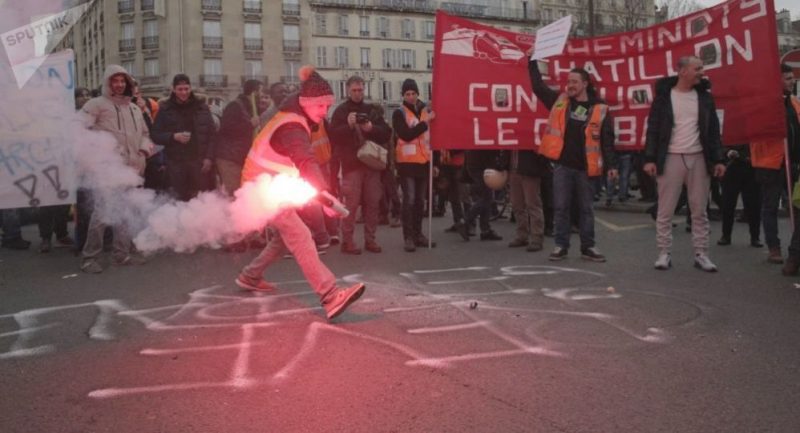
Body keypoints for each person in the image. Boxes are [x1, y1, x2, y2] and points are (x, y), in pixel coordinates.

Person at [235, 65, 365, 320]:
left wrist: (323, 196)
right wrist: (325, 196)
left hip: (267, 184)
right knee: (302, 235)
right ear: (307, 103)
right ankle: (330, 295)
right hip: (263, 188)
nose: (325, 112)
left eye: (328, 106)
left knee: (285, 237)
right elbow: (306, 160)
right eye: (321, 107)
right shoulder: (293, 126)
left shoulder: (294, 117)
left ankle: (250, 276)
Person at [528, 59, 618, 262]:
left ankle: (588, 247)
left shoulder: (600, 107)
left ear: (585, 83)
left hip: (587, 168)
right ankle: (561, 246)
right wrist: (532, 61)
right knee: (561, 207)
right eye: (568, 81)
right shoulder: (560, 101)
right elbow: (537, 86)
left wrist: (612, 165)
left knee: (586, 209)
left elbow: (607, 139)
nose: (570, 85)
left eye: (575, 81)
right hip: (562, 166)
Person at [643, 56, 726, 272]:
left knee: (699, 210)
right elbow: (653, 129)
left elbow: (713, 131)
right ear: (682, 71)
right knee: (665, 210)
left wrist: (718, 159)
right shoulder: (663, 98)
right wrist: (650, 158)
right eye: (697, 68)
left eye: (702, 68)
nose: (702, 72)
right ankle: (663, 254)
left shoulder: (705, 98)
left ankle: (701, 254)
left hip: (698, 157)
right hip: (670, 157)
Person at [77, 65, 155, 273]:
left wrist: (143, 152)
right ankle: (89, 258)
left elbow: (146, 134)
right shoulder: (96, 104)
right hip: (107, 170)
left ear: (128, 83)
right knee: (102, 214)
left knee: (126, 212)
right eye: (115, 81)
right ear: (107, 82)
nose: (119, 85)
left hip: (132, 170)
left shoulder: (135, 108)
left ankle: (121, 255)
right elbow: (78, 130)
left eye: (123, 81)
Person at [329, 75, 392, 254]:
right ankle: (347, 241)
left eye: (361, 90)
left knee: (373, 203)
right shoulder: (341, 111)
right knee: (351, 205)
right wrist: (348, 126)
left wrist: (371, 128)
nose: (358, 93)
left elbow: (387, 133)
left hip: (371, 163)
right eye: (355, 90)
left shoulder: (371, 109)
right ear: (348, 90)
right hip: (351, 165)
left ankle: (370, 239)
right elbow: (333, 135)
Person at [752, 63, 800, 266]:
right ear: (776, 80)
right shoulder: (763, 104)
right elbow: (755, 130)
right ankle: (774, 248)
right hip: (770, 163)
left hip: (793, 164)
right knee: (770, 207)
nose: (792, 82)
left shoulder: (795, 103)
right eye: (788, 78)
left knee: (796, 207)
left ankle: (795, 251)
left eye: (792, 78)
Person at [150, 74, 216, 201]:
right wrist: (173, 137)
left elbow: (212, 135)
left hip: (199, 162)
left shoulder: (202, 107)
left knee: (200, 199)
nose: (184, 92)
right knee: (178, 199)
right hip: (176, 164)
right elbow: (155, 135)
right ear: (174, 89)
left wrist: (209, 158)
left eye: (186, 89)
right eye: (180, 89)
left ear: (190, 88)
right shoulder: (165, 109)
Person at [392, 79, 436, 252]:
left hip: (424, 161)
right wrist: (425, 124)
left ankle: (418, 234)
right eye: (407, 94)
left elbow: (432, 140)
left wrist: (435, 163)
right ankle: (408, 237)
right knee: (409, 201)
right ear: (403, 95)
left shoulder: (426, 111)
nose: (410, 97)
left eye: (413, 93)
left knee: (420, 201)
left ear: (418, 94)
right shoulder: (399, 113)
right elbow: (406, 134)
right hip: (407, 163)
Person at [214, 79, 263, 196]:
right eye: (260, 92)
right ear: (254, 92)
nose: (262, 95)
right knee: (235, 193)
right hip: (229, 158)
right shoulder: (235, 106)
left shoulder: (250, 107)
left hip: (240, 157)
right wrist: (250, 124)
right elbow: (226, 128)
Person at [716, 145, 762, 248]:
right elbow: (722, 142)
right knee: (728, 204)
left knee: (753, 205)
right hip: (732, 167)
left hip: (751, 167)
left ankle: (755, 237)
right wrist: (728, 152)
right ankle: (726, 235)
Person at [458, 150, 506, 242]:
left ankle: (485, 229)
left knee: (486, 196)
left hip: (475, 164)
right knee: (487, 198)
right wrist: (499, 165)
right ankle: (464, 220)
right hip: (481, 166)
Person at [507, 149, 549, 252]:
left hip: (529, 170)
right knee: (517, 205)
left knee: (533, 204)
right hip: (514, 169)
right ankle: (522, 235)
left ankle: (537, 238)